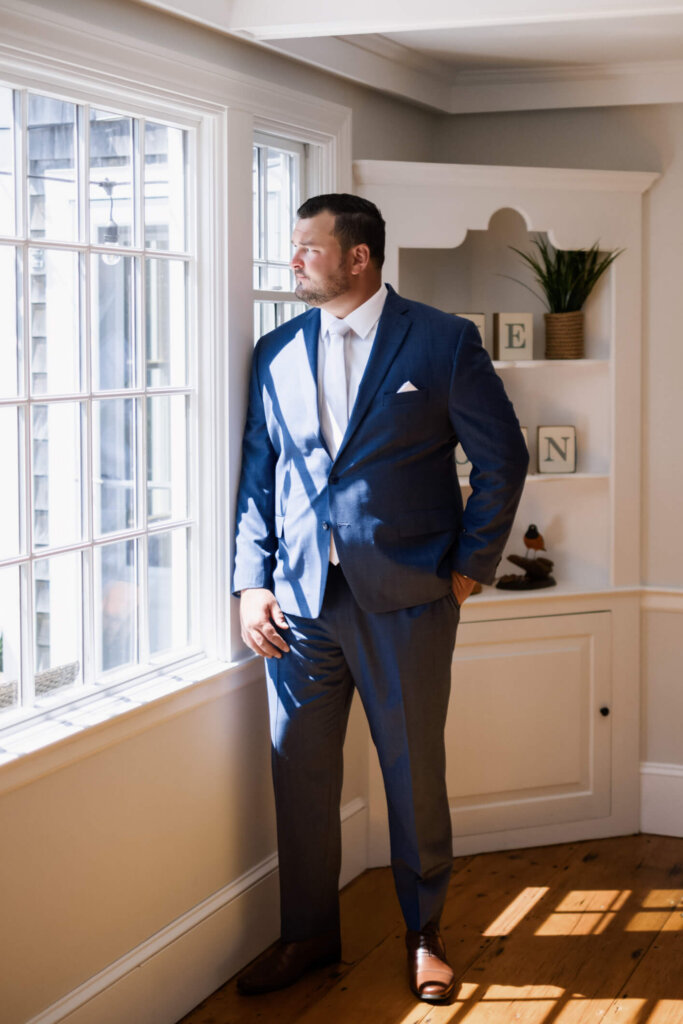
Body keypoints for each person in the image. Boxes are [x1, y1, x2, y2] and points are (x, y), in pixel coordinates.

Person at [232, 193, 528, 1003]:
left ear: (357, 257)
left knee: (411, 773)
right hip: (298, 603)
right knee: (299, 776)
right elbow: (262, 477)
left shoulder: (440, 341)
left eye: (306, 247)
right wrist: (251, 583)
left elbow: (502, 459)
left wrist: (469, 564)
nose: (292, 260)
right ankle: (306, 936)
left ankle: (424, 936)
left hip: (408, 598)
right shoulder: (276, 350)